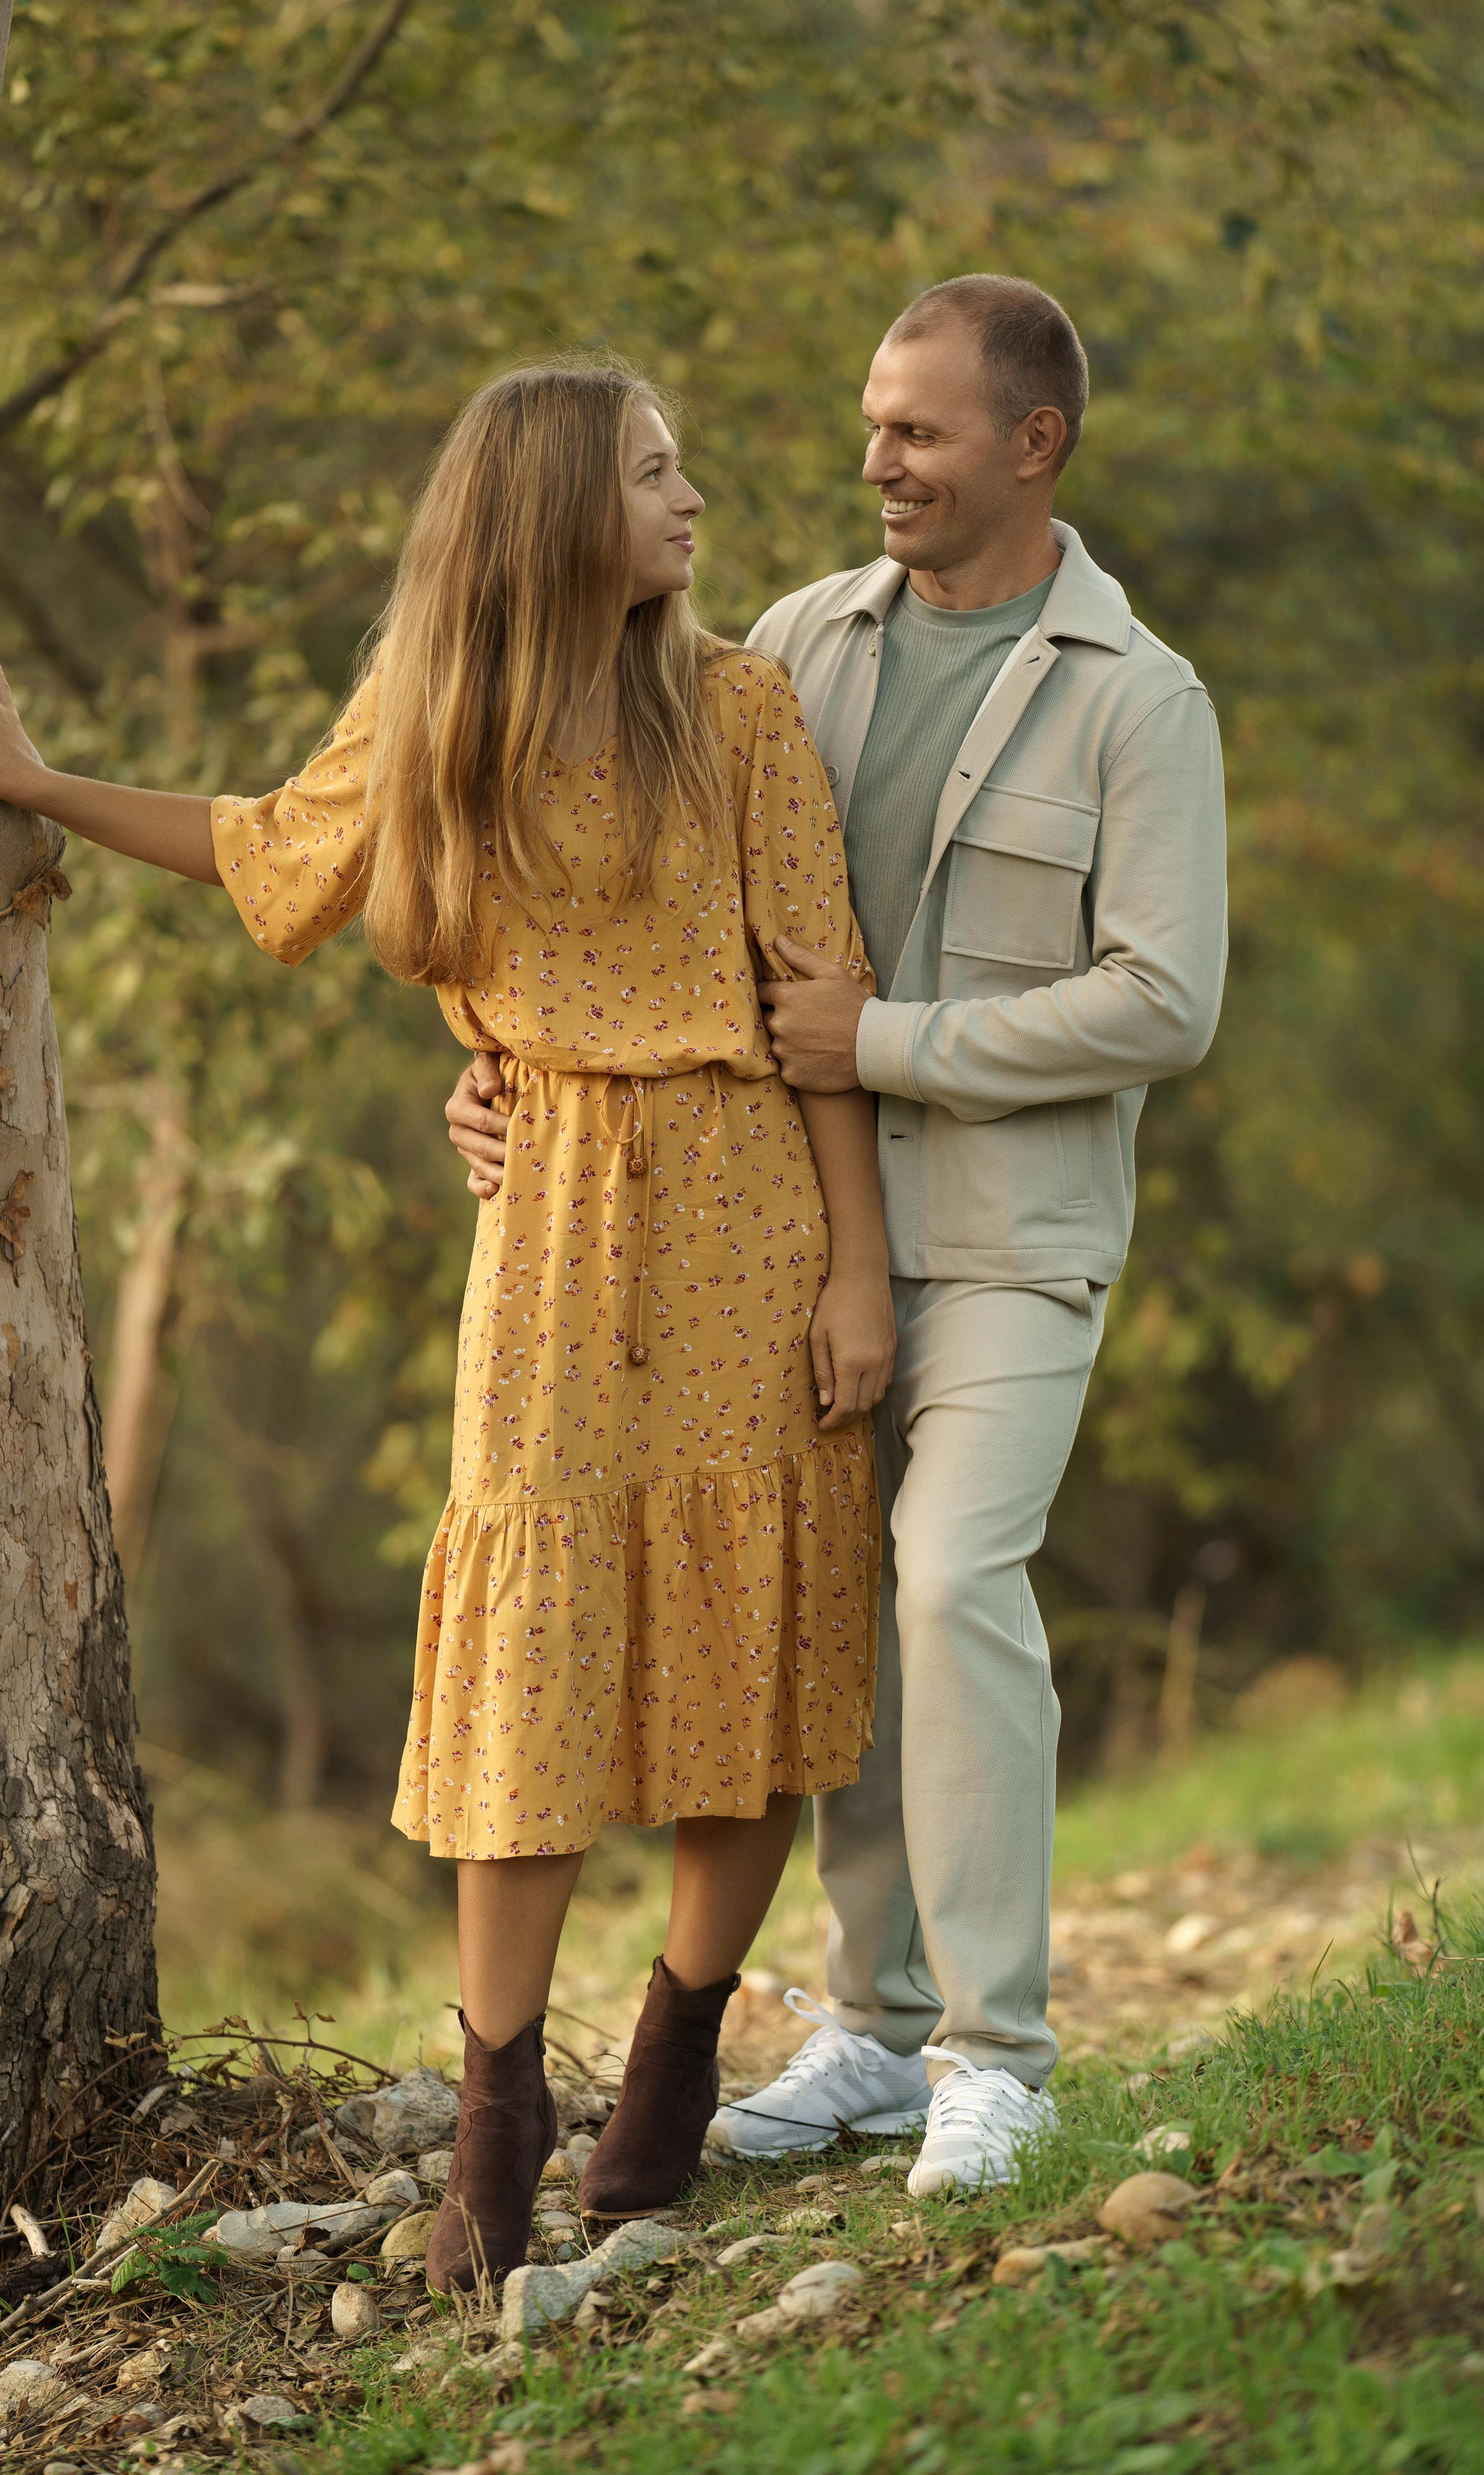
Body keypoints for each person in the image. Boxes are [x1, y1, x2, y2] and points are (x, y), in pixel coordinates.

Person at [0, 358, 894, 2286]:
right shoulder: (436, 722)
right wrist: (34, 787)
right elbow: (268, 846)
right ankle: (498, 2118)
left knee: (744, 1665)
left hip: (748, 1211)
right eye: (656, 472)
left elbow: (819, 1006)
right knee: (534, 1663)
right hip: (547, 1248)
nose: (696, 501)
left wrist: (858, 1270)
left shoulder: (742, 710)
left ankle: (676, 2056)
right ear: (550, 513)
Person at [447, 278, 1229, 2200]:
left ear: (1033, 447)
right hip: (773, 1250)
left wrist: (890, 1044)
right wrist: (492, 1082)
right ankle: (870, 2036)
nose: (874, 459)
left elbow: (1168, 999)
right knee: (833, 1640)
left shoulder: (1141, 698)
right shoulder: (790, 646)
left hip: (1015, 1244)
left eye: (920, 432)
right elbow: (623, 920)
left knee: (954, 1579)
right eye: (874, 422)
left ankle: (996, 2057)